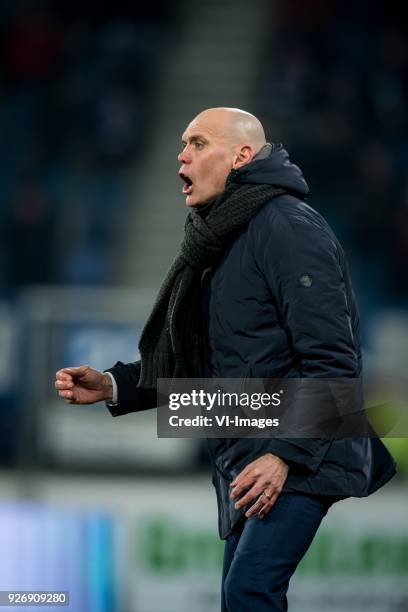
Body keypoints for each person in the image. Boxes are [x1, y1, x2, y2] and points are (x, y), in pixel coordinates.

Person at [55, 108, 396, 611]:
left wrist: (284, 454)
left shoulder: (289, 227)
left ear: (240, 156)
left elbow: (334, 361)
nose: (181, 156)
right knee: (240, 597)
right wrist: (113, 385)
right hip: (249, 448)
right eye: (181, 145)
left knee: (249, 591)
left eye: (196, 143)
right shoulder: (219, 238)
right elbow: (204, 368)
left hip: (305, 448)